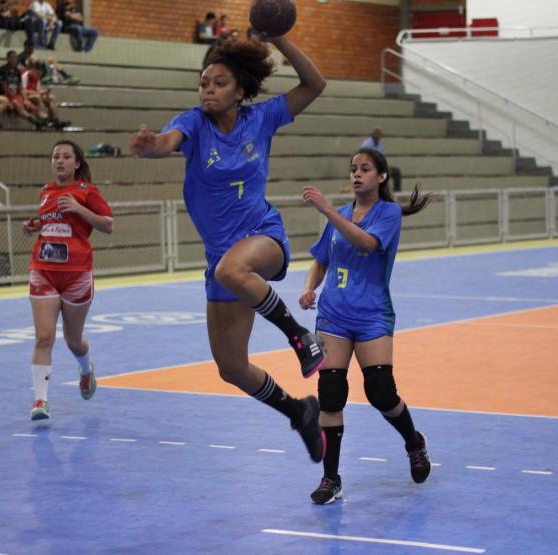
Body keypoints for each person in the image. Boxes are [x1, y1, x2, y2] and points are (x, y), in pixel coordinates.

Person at [129, 36, 328, 462]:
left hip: (263, 238)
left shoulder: (262, 118)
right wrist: (151, 148)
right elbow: (167, 141)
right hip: (223, 261)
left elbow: (315, 84)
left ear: (239, 91)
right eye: (203, 83)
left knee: (229, 271)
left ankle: (300, 336)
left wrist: (280, 40)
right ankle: (299, 412)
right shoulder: (194, 123)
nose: (208, 90)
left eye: (218, 83)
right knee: (231, 367)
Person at [299, 148, 432, 504]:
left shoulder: (387, 214)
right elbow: (321, 260)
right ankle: (331, 479)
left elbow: (367, 243)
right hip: (334, 316)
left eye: (365, 169)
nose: (357, 174)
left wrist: (326, 209)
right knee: (331, 394)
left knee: (380, 391)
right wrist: (310, 287)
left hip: (372, 315)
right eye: (353, 169)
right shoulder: (339, 216)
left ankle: (414, 442)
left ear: (382, 177)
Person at [22, 140, 113, 419]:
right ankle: (40, 401)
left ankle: (86, 371)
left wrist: (78, 208)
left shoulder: (86, 191)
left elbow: (107, 224)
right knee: (44, 337)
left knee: (73, 340)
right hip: (44, 270)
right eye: (55, 157)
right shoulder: (46, 192)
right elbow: (51, 224)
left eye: (65, 157)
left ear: (77, 163)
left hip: (76, 275)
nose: (59, 161)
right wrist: (35, 226)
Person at [0, 49, 42, 128]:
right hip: (5, 96)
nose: (14, 59)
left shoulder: (17, 71)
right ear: (7, 58)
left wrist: (25, 99)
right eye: (12, 57)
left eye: (15, 57)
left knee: (31, 105)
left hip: (16, 95)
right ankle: (35, 122)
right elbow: (3, 87)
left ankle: (43, 121)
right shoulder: (2, 70)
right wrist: (11, 96)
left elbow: (20, 88)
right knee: (18, 105)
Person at [22, 57, 69, 129]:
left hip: (35, 95)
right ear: (33, 69)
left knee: (51, 97)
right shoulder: (25, 76)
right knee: (37, 97)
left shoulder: (37, 78)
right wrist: (26, 100)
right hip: (26, 97)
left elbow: (37, 90)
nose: (39, 75)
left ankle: (56, 120)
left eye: (40, 74)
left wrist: (45, 93)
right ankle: (43, 118)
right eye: (38, 73)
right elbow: (23, 90)